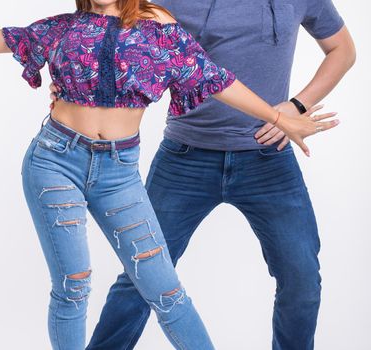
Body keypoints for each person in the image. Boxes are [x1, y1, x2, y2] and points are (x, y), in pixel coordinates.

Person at [0, 1, 340, 349]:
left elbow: (218, 79)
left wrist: (284, 117)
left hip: (119, 171)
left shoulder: (162, 33)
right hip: (54, 160)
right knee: (73, 285)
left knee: (164, 288)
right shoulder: (62, 27)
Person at [76, 0, 355, 349]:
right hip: (185, 159)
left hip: (269, 159)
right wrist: (70, 83)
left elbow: (342, 49)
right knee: (141, 276)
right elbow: (105, 36)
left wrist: (295, 107)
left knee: (301, 280)